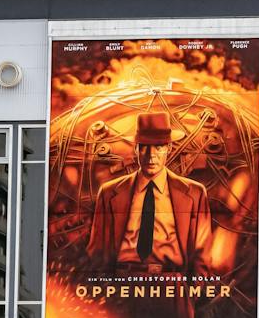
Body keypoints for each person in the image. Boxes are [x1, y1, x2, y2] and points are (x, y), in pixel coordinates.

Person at [85, 111, 213, 278]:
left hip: (172, 286)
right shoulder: (109, 193)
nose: (151, 155)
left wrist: (191, 293)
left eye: (159, 147)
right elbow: (97, 251)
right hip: (122, 286)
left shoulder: (194, 193)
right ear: (136, 149)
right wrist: (104, 290)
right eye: (145, 147)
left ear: (169, 148)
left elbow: (202, 254)